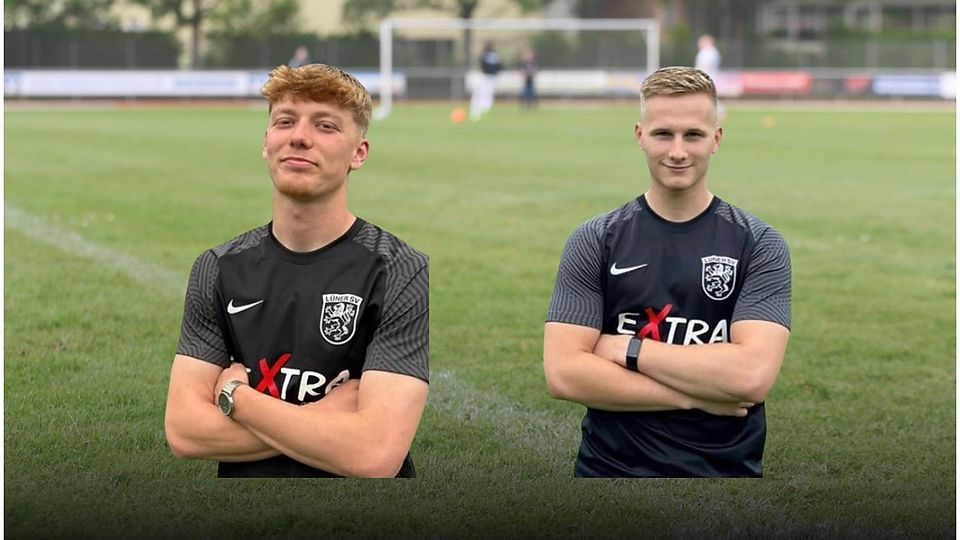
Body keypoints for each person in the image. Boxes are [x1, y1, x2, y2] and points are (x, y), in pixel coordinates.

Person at [164, 63, 430, 478]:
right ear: (266, 142)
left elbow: (374, 455)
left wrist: (237, 397)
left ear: (358, 153)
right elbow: (185, 432)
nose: (300, 137)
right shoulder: (218, 267)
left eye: (325, 126)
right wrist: (326, 418)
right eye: (284, 121)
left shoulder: (396, 269)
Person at [543, 66, 791, 478]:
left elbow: (750, 377)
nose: (678, 151)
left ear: (716, 138)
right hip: (610, 471)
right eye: (663, 134)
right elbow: (564, 374)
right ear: (640, 135)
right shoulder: (595, 239)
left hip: (723, 473)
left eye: (693, 134)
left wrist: (626, 349)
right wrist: (696, 397)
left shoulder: (760, 243)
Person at [694, 35, 725, 119]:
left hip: (707, 76)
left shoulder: (709, 52)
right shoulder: (708, 51)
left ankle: (719, 111)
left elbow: (705, 65)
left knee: (708, 94)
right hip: (706, 76)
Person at [469, 42, 501, 121]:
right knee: (486, 92)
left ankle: (483, 108)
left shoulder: (488, 55)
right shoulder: (494, 55)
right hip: (489, 76)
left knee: (486, 93)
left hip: (488, 76)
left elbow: (482, 62)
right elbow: (499, 65)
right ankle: (483, 108)